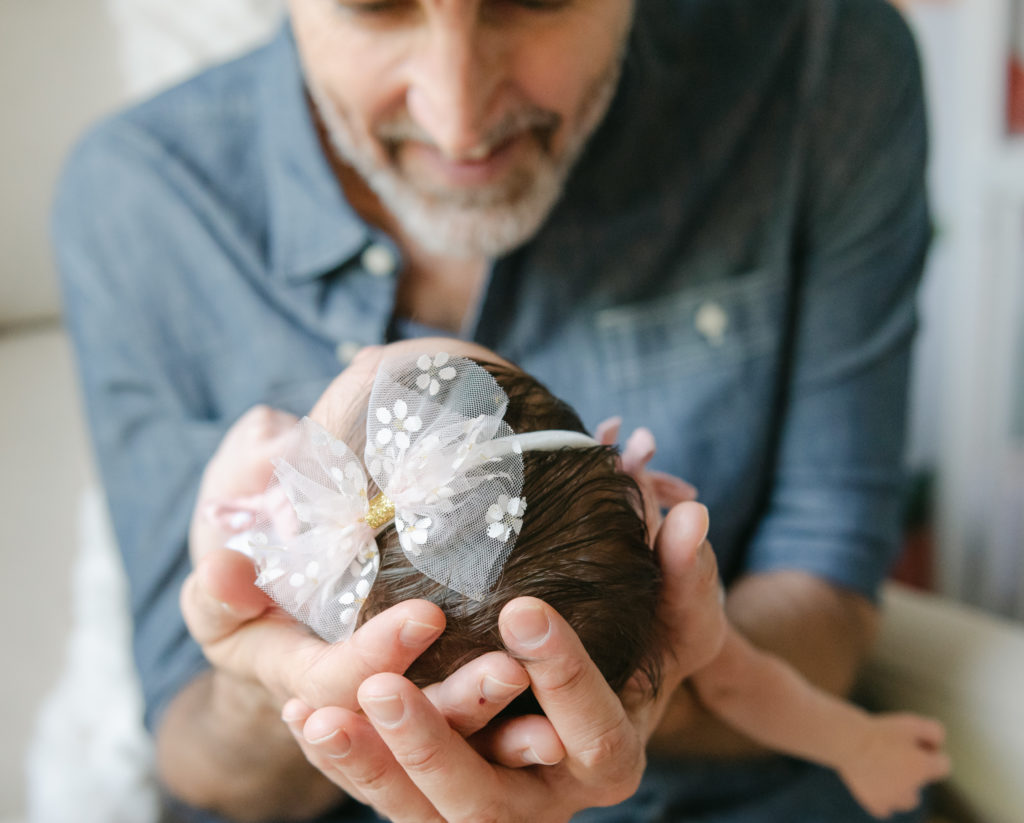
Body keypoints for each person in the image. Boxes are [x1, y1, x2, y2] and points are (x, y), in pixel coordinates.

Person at [52, 0, 933, 820]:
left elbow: (828, 570)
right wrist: (259, 683)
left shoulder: (820, 62)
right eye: (377, 2)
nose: (458, 119)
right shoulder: (141, 195)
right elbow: (194, 747)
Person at [198, 340, 949, 821]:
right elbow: (747, 685)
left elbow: (229, 597)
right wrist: (860, 743)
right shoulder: (640, 563)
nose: (364, 350)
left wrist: (249, 631)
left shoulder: (261, 502)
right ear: (604, 460)